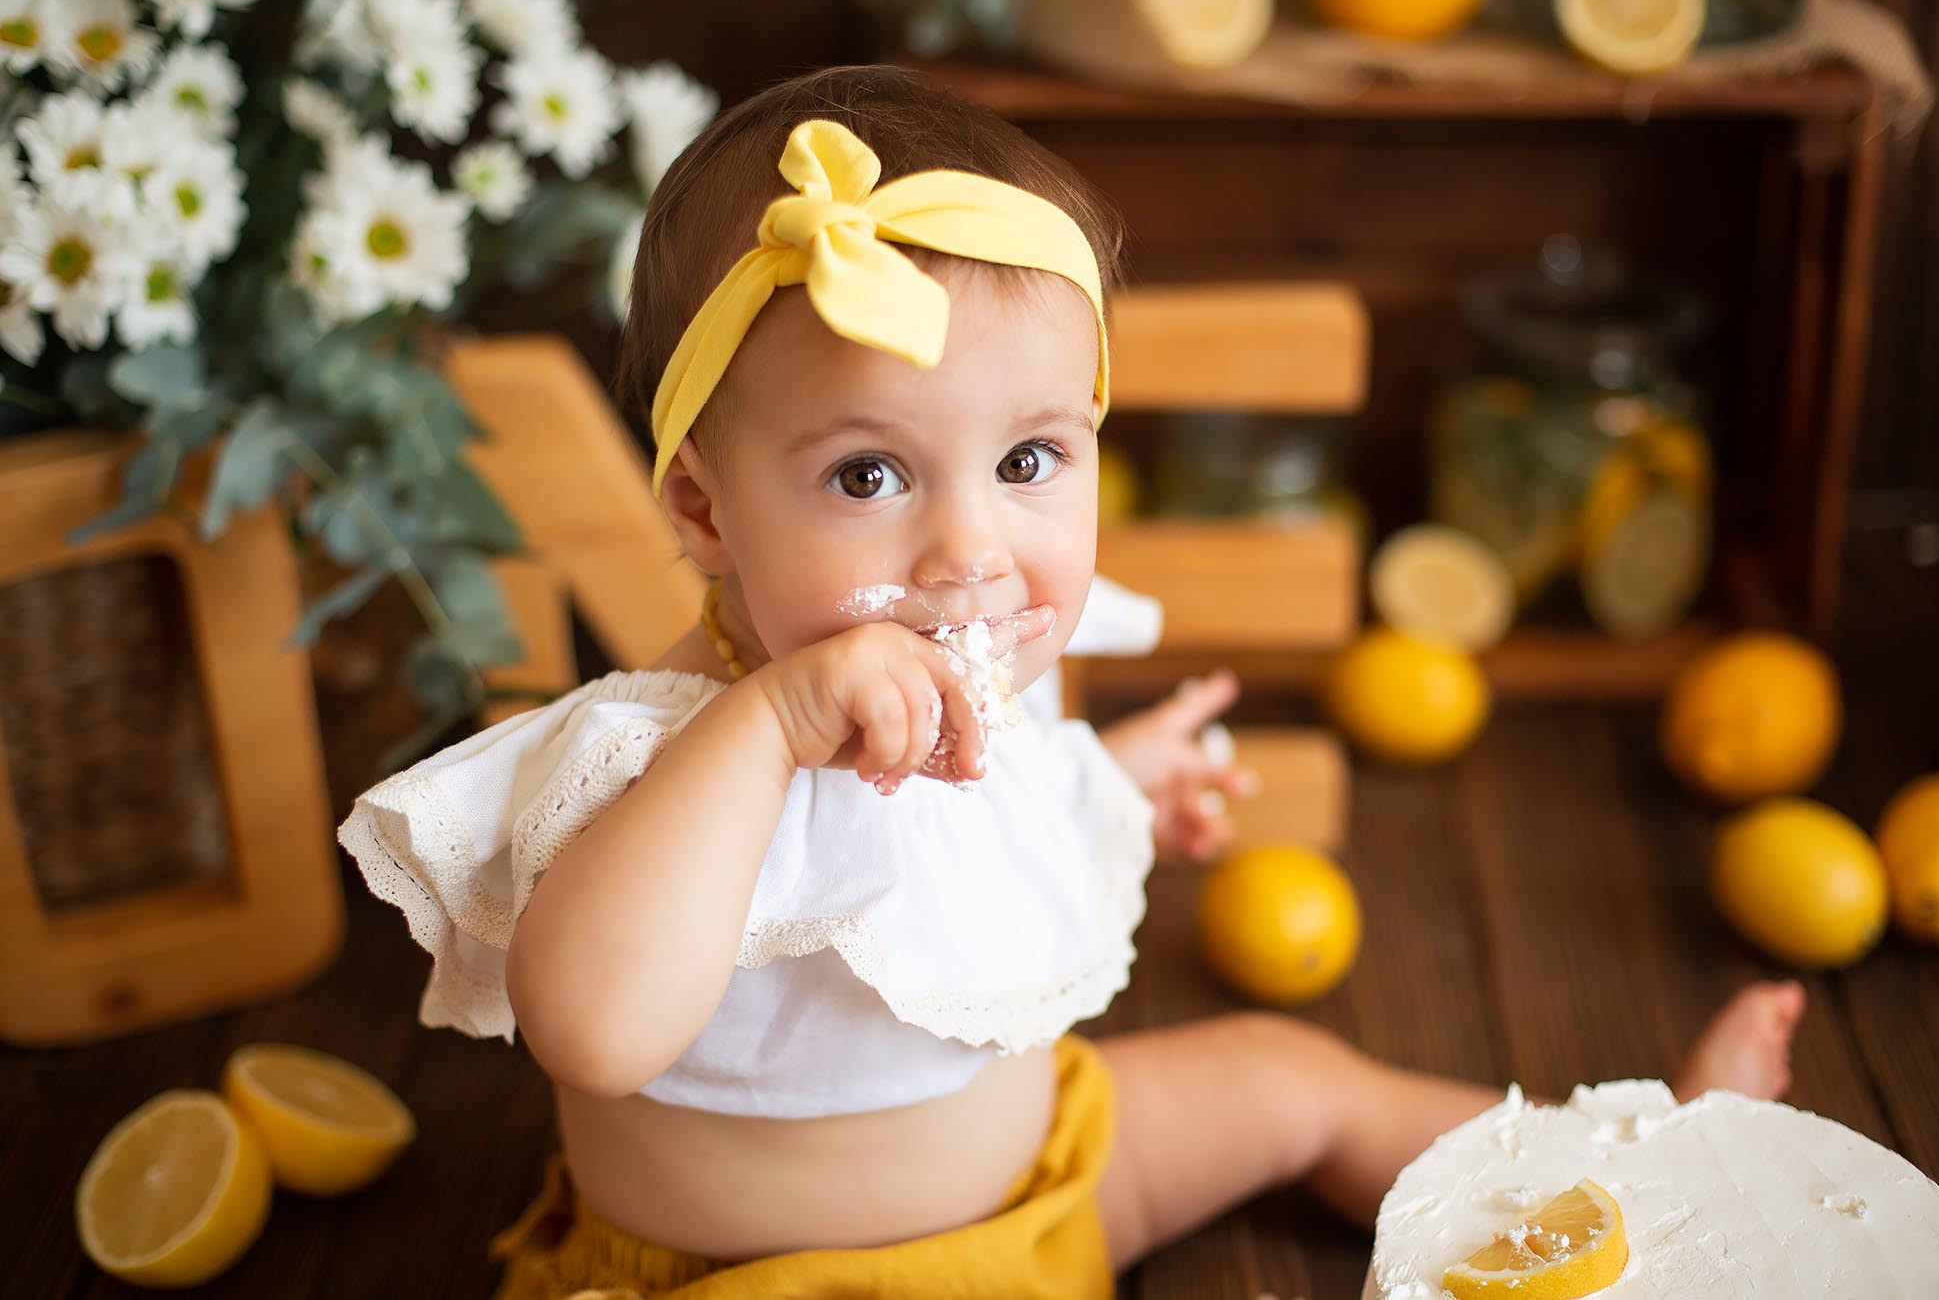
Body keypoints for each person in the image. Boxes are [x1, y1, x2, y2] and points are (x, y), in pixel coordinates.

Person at [339, 64, 1804, 1299]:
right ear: (708, 510)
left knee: (1295, 1078)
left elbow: (965, 827)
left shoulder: (966, 658)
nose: (971, 546)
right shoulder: (659, 749)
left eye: (1030, 459)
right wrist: (769, 727)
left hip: (1051, 1176)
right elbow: (592, 1024)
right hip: (769, 1277)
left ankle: (1635, 1171)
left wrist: (1113, 782)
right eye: (868, 472)